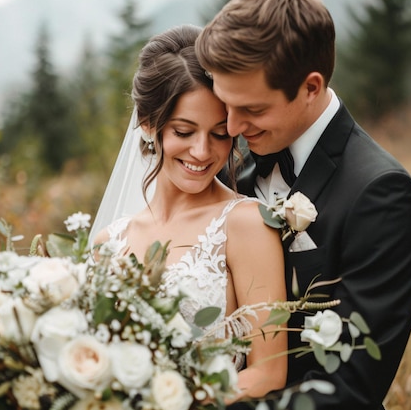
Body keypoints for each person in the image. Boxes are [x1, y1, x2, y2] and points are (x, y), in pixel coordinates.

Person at [195, 0, 411, 409]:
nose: (231, 127)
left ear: (311, 87)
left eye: (250, 108)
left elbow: (349, 387)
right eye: (225, 105)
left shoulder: (381, 195)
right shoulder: (236, 173)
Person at [92, 25, 287, 402]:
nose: (202, 151)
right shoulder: (107, 242)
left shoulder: (246, 224)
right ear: (150, 125)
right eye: (184, 131)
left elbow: (268, 371)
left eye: (219, 134)